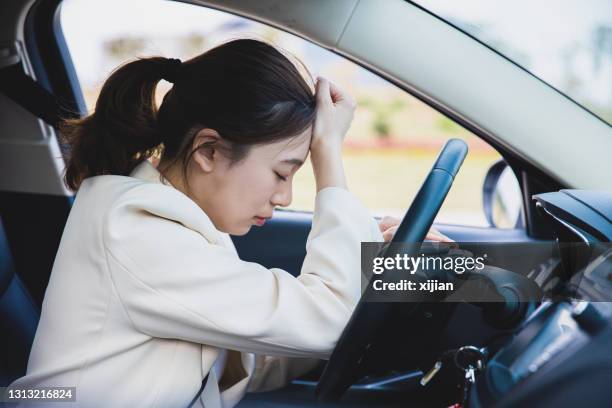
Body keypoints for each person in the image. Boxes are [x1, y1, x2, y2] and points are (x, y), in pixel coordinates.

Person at [8, 39, 448, 407]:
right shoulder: (138, 233)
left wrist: (386, 272)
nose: (286, 196)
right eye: (282, 172)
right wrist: (327, 150)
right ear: (209, 152)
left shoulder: (176, 219)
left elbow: (244, 357)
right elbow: (326, 320)